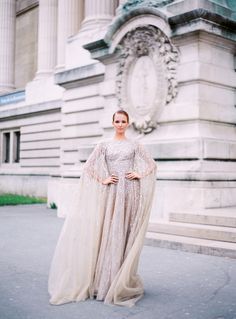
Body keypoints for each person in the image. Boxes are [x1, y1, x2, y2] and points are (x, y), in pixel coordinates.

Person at [48, 110, 157, 307]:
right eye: (118, 121)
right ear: (113, 123)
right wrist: (103, 179)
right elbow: (88, 167)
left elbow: (151, 165)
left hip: (130, 193)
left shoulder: (135, 145)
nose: (121, 124)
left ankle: (120, 280)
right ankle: (105, 282)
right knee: (109, 233)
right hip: (112, 193)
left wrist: (139, 174)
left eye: (124, 121)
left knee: (124, 233)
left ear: (128, 123)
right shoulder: (103, 145)